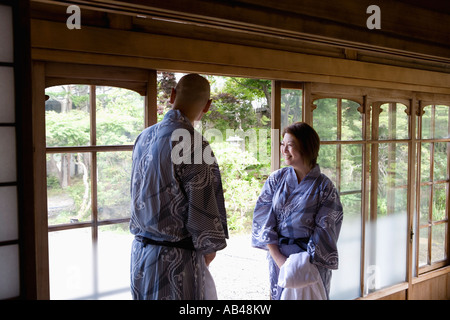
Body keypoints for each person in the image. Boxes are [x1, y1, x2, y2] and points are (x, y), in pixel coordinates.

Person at [130, 73, 228, 300]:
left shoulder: (143, 137)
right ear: (208, 106)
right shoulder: (193, 144)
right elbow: (203, 217)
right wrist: (207, 251)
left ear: (173, 94)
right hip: (174, 262)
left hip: (140, 256)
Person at [252, 122, 343, 300]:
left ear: (307, 147)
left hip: (312, 264)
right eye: (282, 144)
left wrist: (302, 264)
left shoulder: (325, 187)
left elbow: (326, 229)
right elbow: (263, 219)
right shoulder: (276, 179)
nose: (284, 150)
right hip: (278, 256)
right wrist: (279, 259)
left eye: (290, 145)